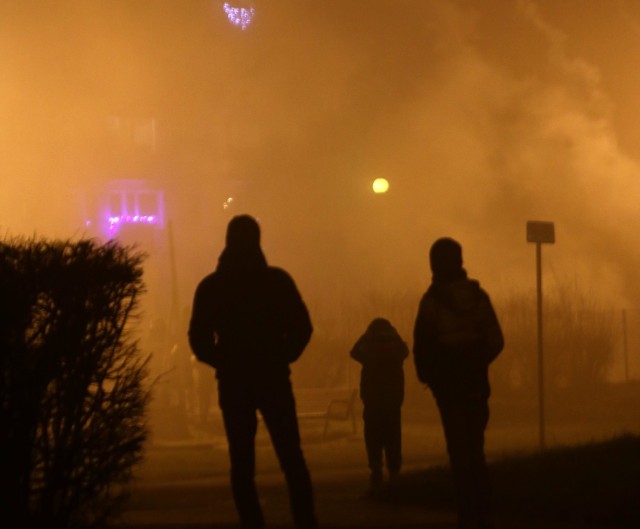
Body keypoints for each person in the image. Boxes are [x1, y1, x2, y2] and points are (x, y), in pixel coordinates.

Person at [188, 214, 317, 529]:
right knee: (292, 458)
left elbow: (198, 339)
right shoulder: (277, 281)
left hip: (234, 382)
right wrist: (282, 356)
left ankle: (253, 522)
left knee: (242, 463)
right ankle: (305, 521)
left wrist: (224, 362)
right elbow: (302, 327)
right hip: (273, 377)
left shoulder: (213, 286)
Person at [413, 237, 504, 529]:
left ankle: (467, 514)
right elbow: (496, 340)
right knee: (476, 449)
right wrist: (476, 364)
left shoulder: (432, 302)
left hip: (448, 389)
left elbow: (423, 346)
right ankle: (484, 513)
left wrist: (432, 377)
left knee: (459, 451)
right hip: (476, 383)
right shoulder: (479, 297)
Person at [350, 317, 408, 496]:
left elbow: (354, 352)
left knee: (373, 436)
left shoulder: (369, 349)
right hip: (392, 400)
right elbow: (405, 350)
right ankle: (394, 471)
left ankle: (376, 469)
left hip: (373, 399)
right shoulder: (396, 348)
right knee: (393, 436)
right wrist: (395, 334)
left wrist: (367, 336)